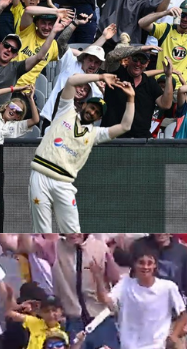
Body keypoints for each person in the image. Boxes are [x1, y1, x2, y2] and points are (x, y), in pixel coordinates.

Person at [31, 73, 136, 232]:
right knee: (42, 231)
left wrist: (131, 99)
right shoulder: (66, 110)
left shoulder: (95, 134)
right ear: (85, 104)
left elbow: (125, 127)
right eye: (92, 107)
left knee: (73, 232)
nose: (93, 112)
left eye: (97, 113)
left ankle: (75, 257)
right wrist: (100, 77)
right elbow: (71, 81)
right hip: (40, 176)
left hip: (64, 183)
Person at [93, 243, 187, 349]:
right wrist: (97, 277)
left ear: (155, 265)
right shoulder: (125, 284)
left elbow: (183, 315)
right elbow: (105, 300)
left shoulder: (168, 287)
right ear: (134, 264)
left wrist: (174, 336)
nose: (146, 267)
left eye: (150, 263)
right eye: (141, 263)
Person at [0, 0, 67, 124]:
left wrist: (54, 32)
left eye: (13, 49)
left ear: (15, 55)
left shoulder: (15, 68)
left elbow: (40, 56)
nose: (9, 50)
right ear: (0, 45)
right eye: (7, 45)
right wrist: (1, 6)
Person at [102, 46, 175, 137]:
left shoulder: (150, 83)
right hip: (113, 136)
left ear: (147, 64)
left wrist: (168, 76)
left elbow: (166, 105)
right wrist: (140, 48)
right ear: (128, 59)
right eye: (135, 59)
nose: (138, 64)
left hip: (140, 139)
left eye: (142, 61)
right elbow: (111, 56)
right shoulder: (116, 75)